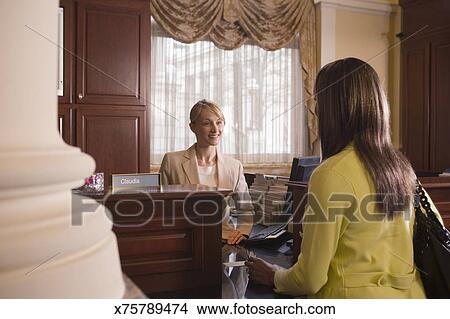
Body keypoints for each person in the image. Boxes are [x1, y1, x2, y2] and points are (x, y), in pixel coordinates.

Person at [246, 57, 433, 298]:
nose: (315, 109)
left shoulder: (332, 173)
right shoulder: (401, 167)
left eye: (318, 100)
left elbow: (309, 279)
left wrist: (273, 275)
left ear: (335, 107)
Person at [160, 99, 253, 245]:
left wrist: (243, 231)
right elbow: (162, 209)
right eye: (207, 123)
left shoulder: (234, 166)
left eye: (219, 122)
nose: (215, 129)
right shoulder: (172, 161)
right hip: (182, 241)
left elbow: (246, 209)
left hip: (224, 241)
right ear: (193, 127)